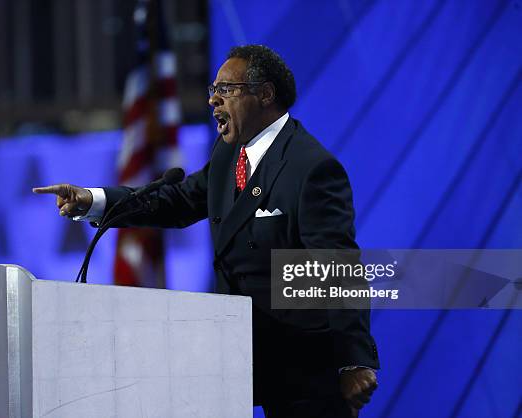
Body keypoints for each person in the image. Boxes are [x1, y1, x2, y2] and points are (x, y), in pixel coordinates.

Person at [34, 45, 379, 418]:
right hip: (239, 360)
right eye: (213, 89)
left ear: (265, 94)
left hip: (305, 371)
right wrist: (95, 200)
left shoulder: (311, 167)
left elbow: (337, 268)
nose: (213, 99)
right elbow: (178, 200)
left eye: (226, 90)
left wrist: (353, 361)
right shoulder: (228, 154)